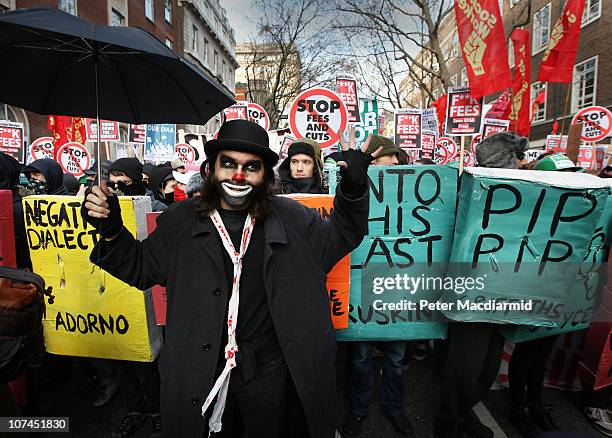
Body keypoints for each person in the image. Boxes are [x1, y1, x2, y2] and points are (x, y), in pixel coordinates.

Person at [81, 119, 381, 438]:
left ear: (266, 175)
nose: (238, 176)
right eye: (228, 164)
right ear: (210, 170)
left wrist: (353, 188)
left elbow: (343, 235)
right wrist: (112, 230)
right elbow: (141, 268)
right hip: (201, 369)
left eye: (251, 167)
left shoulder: (296, 221)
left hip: (270, 374)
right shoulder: (179, 222)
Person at [435, 132, 529, 438]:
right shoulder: (471, 195)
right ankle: (450, 423)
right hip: (471, 295)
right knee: (466, 366)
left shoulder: (523, 195)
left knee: (488, 367)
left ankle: (463, 413)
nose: (523, 163)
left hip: (503, 291)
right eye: (518, 158)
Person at [342, 134, 412, 438]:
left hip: (401, 283)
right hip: (364, 284)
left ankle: (394, 407)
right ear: (374, 158)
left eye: (398, 157)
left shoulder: (409, 187)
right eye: (390, 156)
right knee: (361, 356)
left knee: (396, 357)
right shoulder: (354, 186)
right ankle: (358, 409)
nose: (396, 162)